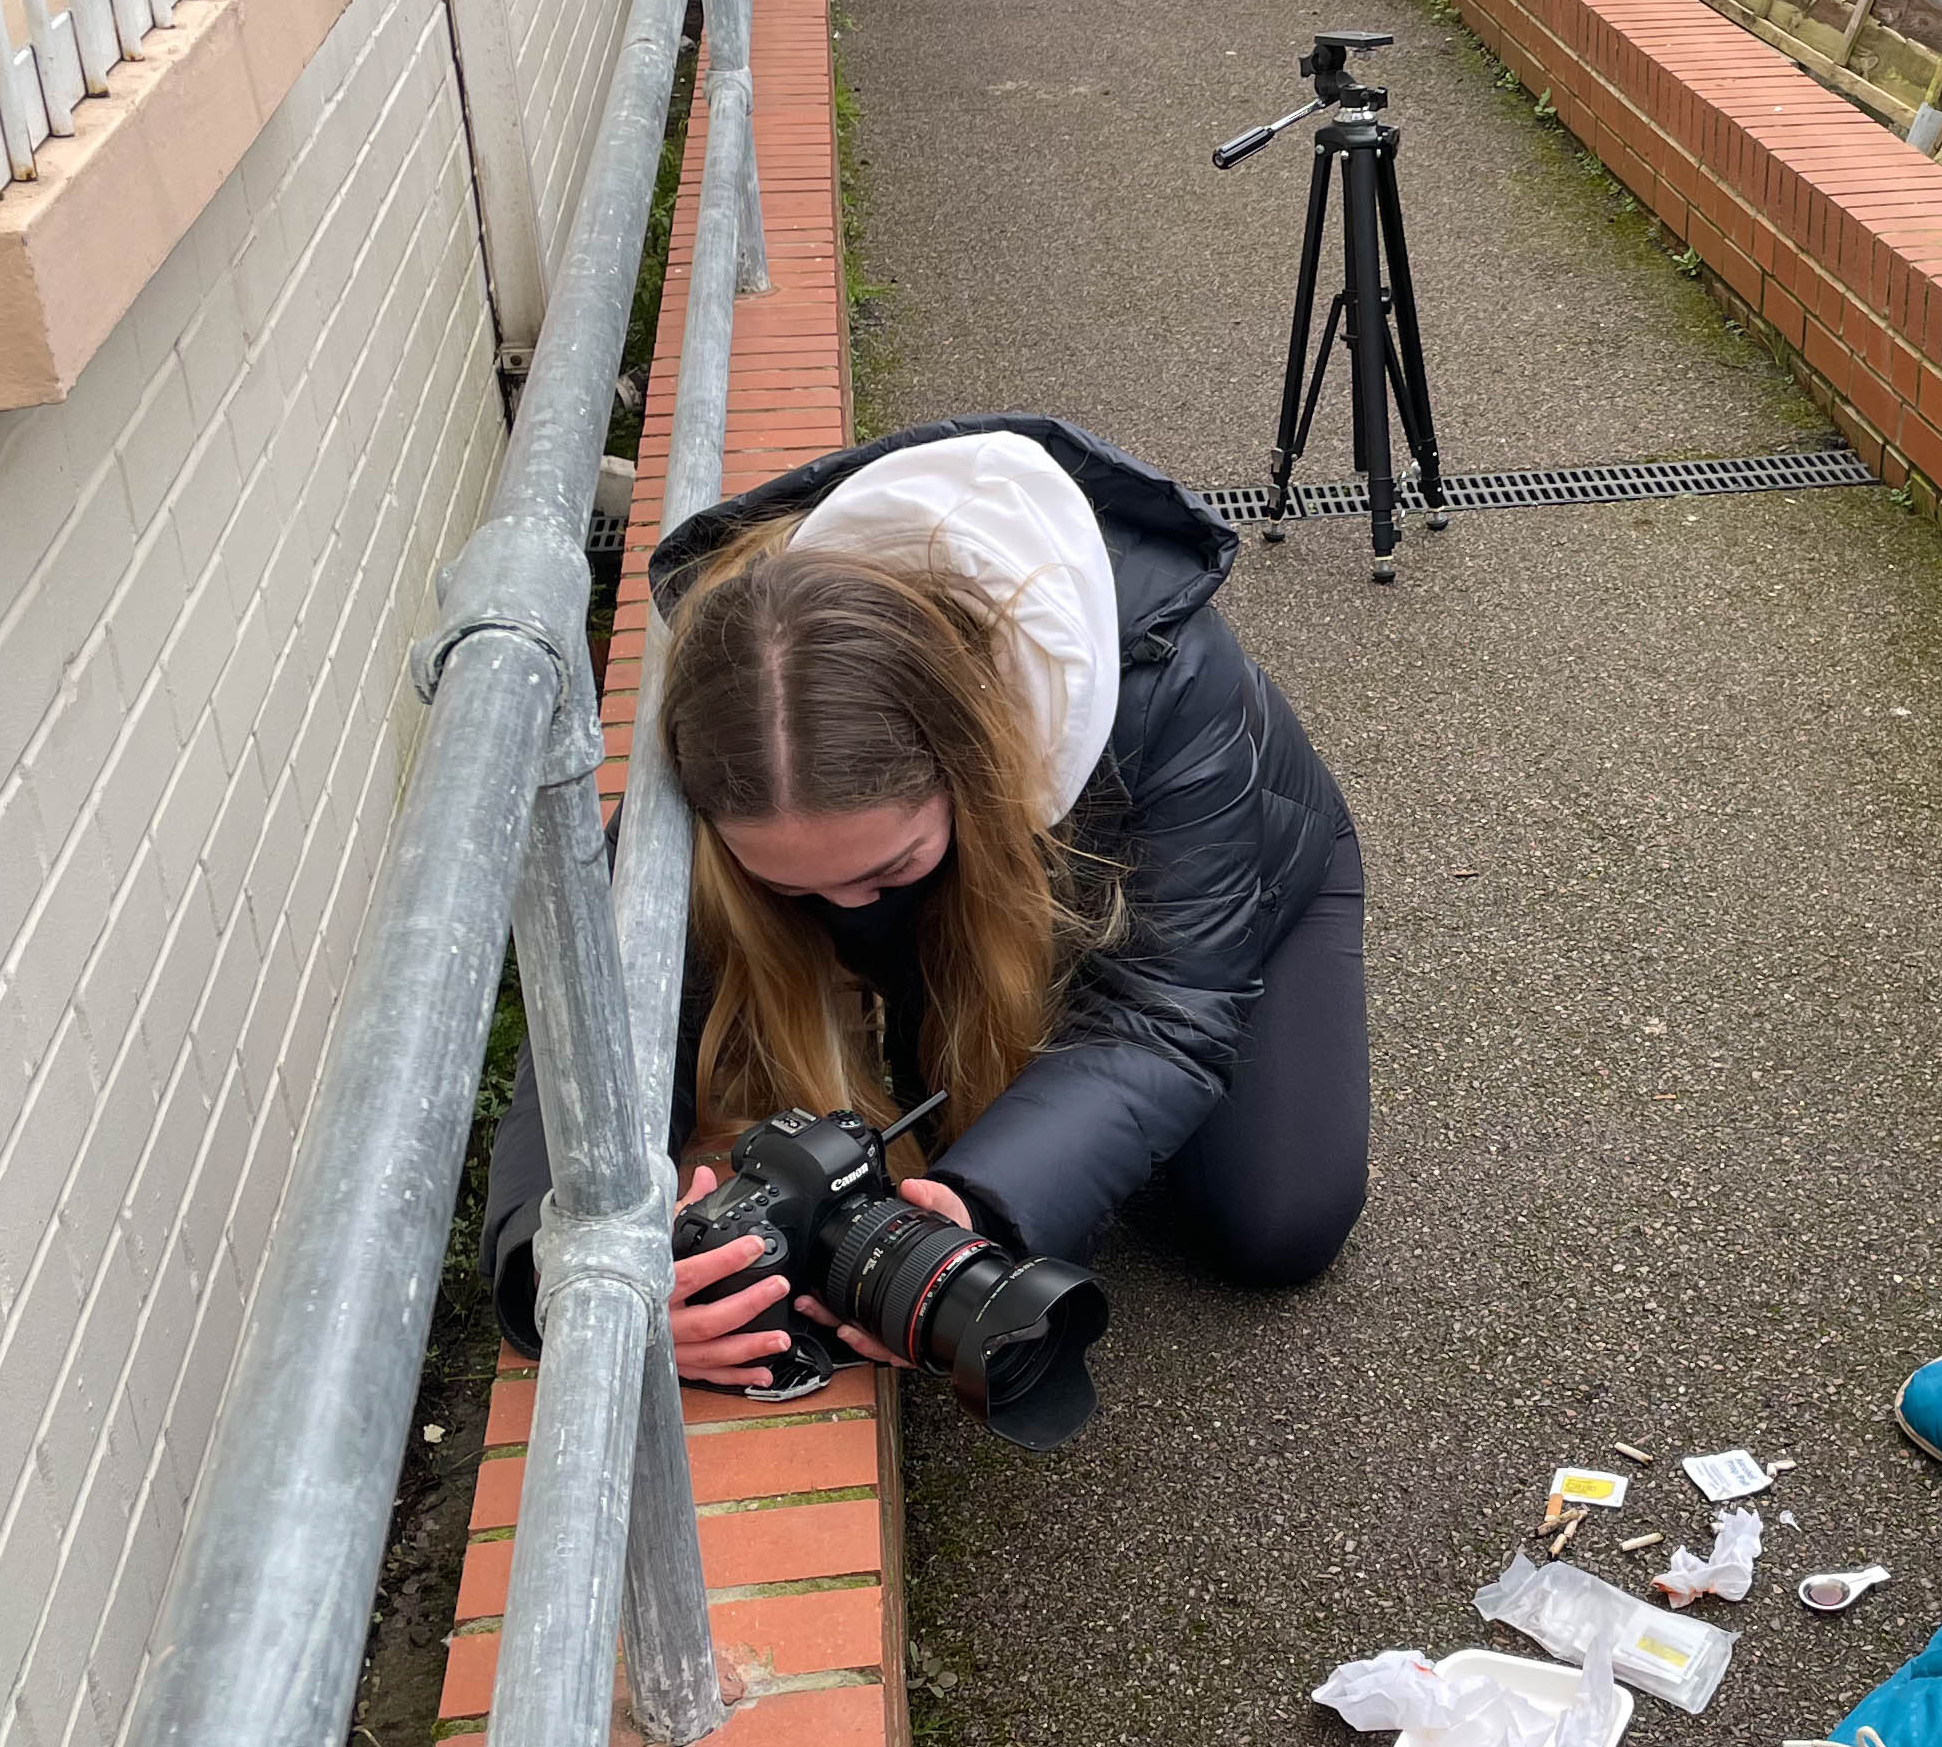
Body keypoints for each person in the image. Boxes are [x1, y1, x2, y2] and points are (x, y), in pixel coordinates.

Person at [482, 416, 1369, 1389]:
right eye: (790, 888)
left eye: (881, 870)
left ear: (975, 759)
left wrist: (978, 1199)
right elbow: (599, 1025)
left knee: (1279, 1225)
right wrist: (570, 1280)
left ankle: (1032, 1058)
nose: (840, 913)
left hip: (1237, 890)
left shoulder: (1169, 677)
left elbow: (1163, 1012)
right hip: (989, 891)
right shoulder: (739, 704)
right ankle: (983, 1025)